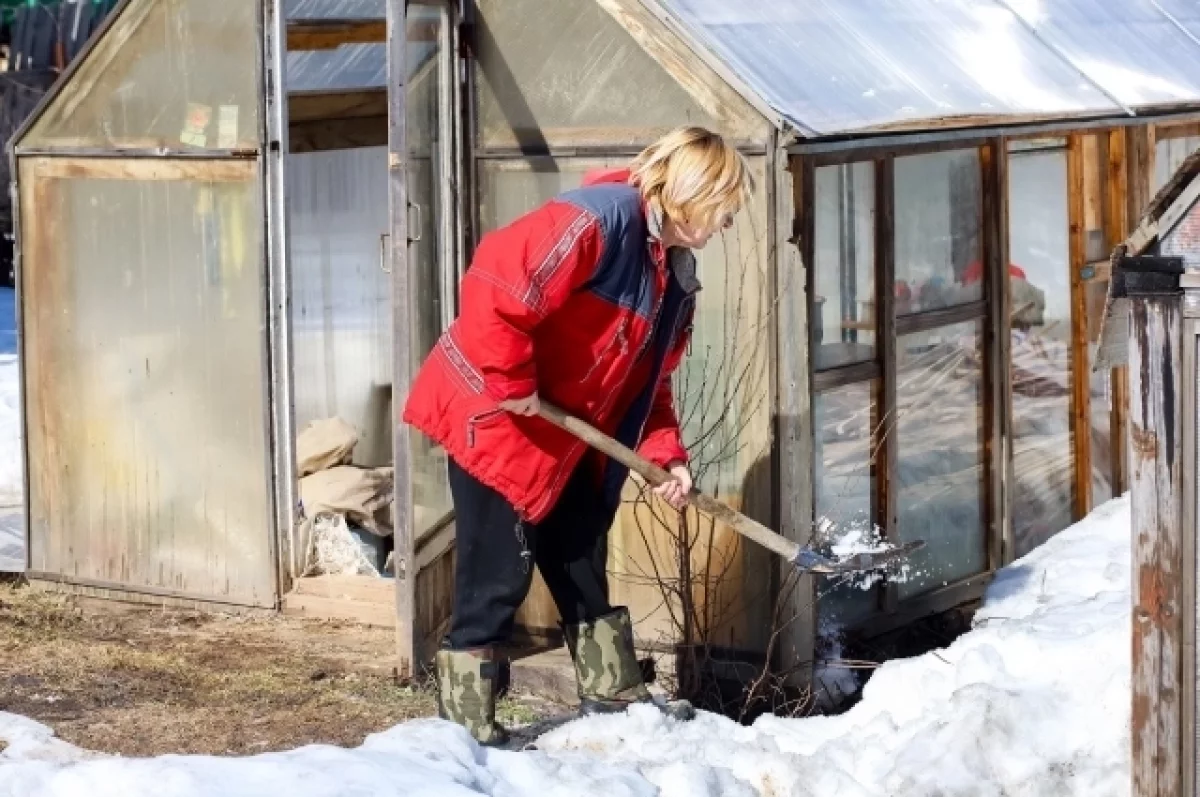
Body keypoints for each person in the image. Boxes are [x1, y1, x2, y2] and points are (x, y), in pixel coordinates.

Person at [402, 126, 754, 745]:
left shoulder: (673, 275)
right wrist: (513, 379)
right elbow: (497, 283)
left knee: (580, 553)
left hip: (566, 436)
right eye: (724, 207)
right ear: (692, 192)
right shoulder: (599, 220)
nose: (727, 223)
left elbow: (648, 384)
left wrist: (666, 457)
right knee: (498, 572)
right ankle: (465, 732)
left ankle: (615, 696)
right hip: (499, 416)